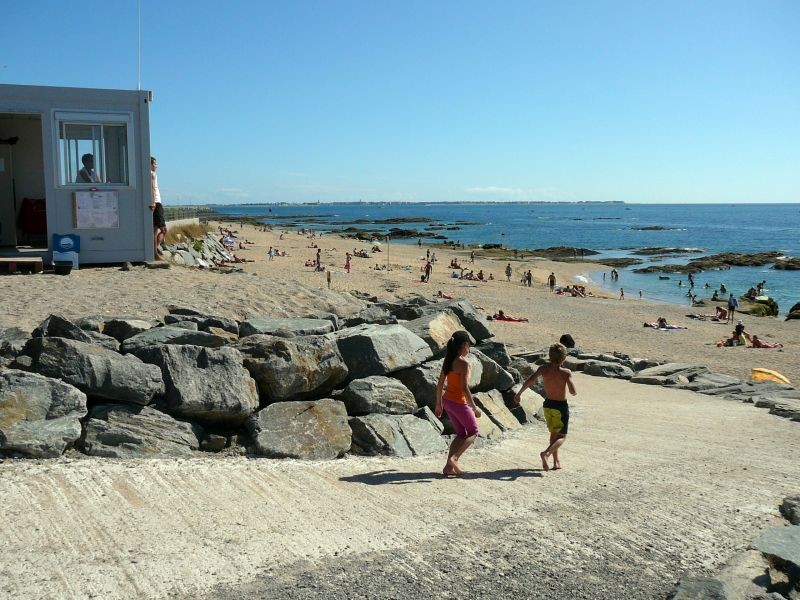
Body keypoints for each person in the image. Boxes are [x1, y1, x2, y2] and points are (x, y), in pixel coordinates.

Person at [514, 342, 576, 471]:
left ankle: (556, 462)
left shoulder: (543, 369)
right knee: (561, 436)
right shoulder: (566, 372)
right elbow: (572, 391)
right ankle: (546, 453)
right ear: (564, 358)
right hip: (560, 407)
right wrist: (570, 383)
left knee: (554, 434)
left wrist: (519, 393)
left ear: (549, 356)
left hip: (548, 405)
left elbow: (530, 380)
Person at [435, 331, 481, 477]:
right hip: (459, 404)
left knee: (461, 434)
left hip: (448, 402)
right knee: (473, 432)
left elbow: (440, 384)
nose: (469, 350)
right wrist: (474, 408)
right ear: (464, 346)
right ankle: (454, 459)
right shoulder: (463, 363)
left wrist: (439, 404)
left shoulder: (448, 360)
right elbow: (464, 389)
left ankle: (448, 467)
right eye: (469, 346)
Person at [149, 156, 166, 260]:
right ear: (150, 164)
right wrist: (154, 202)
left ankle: (154, 251)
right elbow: (152, 189)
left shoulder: (152, 174)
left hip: (157, 202)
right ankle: (154, 253)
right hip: (156, 202)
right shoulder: (151, 174)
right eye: (155, 164)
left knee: (160, 230)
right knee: (160, 230)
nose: (156, 165)